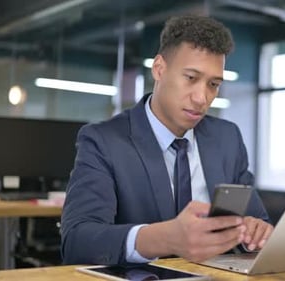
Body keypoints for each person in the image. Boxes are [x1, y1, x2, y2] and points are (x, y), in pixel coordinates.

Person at [61, 14, 273, 265]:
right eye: (191, 78)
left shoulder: (228, 138)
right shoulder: (103, 141)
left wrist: (257, 231)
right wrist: (163, 239)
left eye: (213, 84)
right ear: (159, 69)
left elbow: (259, 221)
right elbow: (77, 240)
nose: (201, 98)